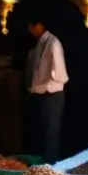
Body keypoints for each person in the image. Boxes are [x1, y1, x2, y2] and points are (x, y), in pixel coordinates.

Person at [25, 15, 68, 163]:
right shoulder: (39, 45)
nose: (30, 31)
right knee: (42, 133)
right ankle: (42, 167)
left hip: (52, 94)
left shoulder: (53, 43)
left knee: (51, 135)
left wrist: (39, 88)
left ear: (38, 26)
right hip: (42, 95)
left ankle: (51, 168)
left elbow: (59, 75)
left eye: (30, 28)